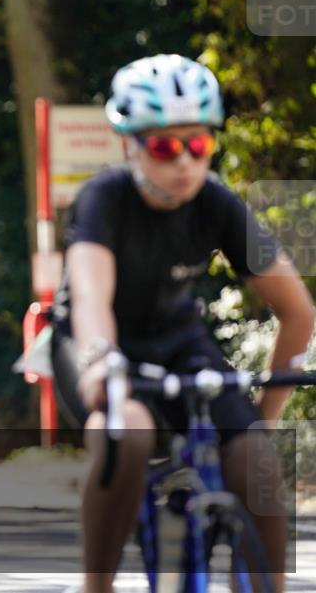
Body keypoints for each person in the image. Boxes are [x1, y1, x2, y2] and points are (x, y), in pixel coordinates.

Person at [51, 55, 315, 593]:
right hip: (98, 340)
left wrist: (258, 422)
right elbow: (91, 292)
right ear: (130, 143)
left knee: (256, 462)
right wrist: (101, 361)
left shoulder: (216, 202)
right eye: (165, 146)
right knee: (127, 432)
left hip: (178, 340)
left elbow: (298, 311)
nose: (185, 162)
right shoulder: (105, 198)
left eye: (198, 144)